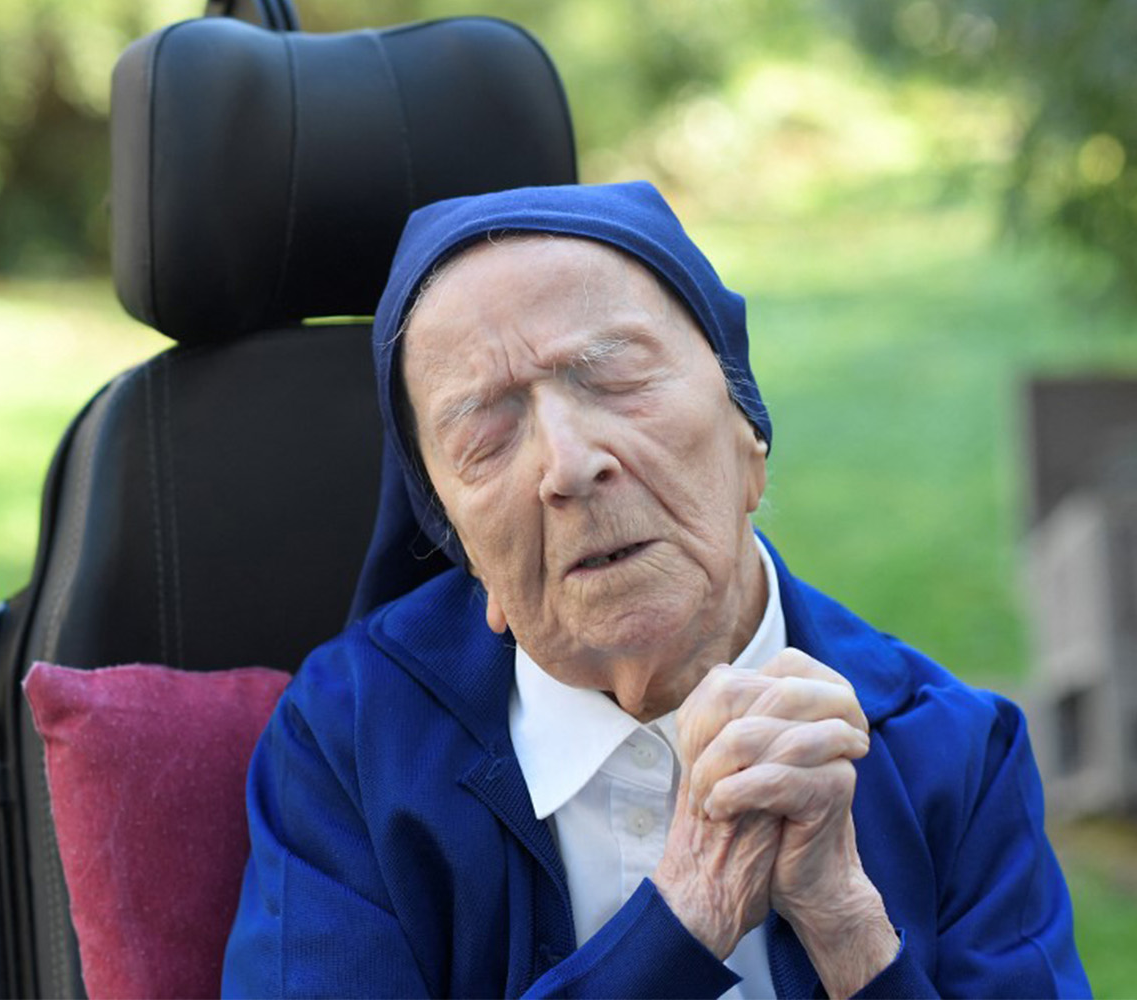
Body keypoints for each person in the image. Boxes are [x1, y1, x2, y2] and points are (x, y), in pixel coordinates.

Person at [221, 182, 1089, 998]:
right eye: (488, 434)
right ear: (465, 552)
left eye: (614, 377)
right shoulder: (352, 744)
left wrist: (851, 930)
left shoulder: (950, 751)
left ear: (749, 434)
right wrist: (687, 914)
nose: (568, 464)